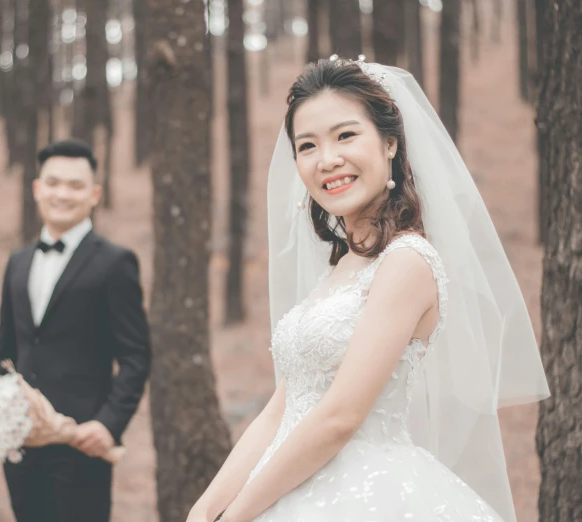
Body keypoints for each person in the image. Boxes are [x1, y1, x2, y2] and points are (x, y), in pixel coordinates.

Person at [187, 57, 549, 522]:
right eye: (307, 146)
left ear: (390, 143)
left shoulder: (406, 262)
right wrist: (204, 511)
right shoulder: (340, 270)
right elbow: (281, 408)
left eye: (345, 135)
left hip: (364, 494)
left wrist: (238, 515)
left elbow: (340, 416)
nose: (327, 159)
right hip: (288, 484)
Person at [0, 138, 151, 522]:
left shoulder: (115, 263)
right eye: (53, 182)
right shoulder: (17, 263)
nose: (62, 193)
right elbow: (5, 353)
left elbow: (136, 355)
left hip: (82, 447)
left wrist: (108, 424)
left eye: (75, 185)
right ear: (37, 188)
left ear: (94, 194)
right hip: (21, 448)